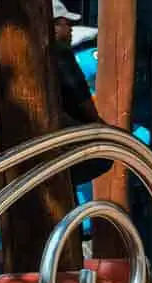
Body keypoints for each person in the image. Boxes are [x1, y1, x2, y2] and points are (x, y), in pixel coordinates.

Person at [50, 0, 112, 186]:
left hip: (53, 136)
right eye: (66, 24)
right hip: (65, 135)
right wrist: (100, 126)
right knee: (105, 155)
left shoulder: (40, 55)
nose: (70, 30)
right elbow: (81, 97)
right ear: (52, 25)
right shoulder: (61, 54)